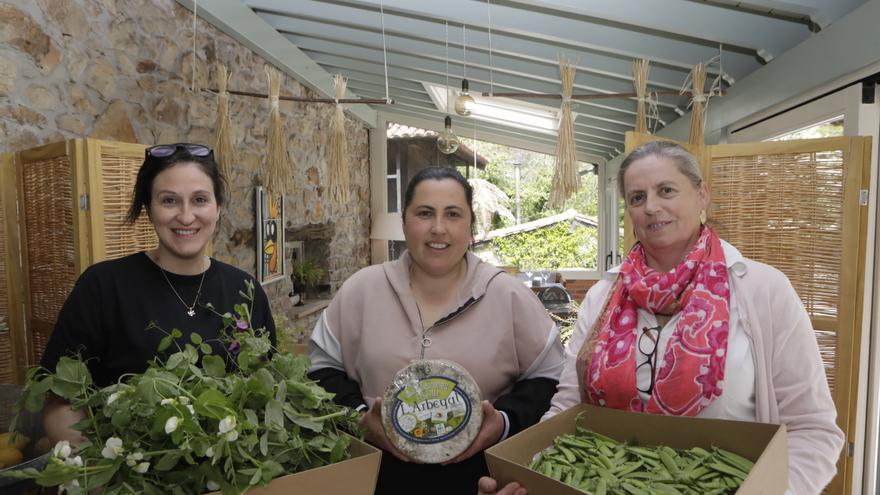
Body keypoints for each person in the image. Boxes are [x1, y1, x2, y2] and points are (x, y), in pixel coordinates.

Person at [479, 141, 843, 495]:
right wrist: (530, 471)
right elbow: (567, 410)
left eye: (666, 190)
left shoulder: (764, 290)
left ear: (702, 196)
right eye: (637, 198)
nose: (652, 207)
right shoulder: (603, 296)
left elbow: (812, 430)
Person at [308, 166, 565, 495]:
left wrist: (503, 421)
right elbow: (322, 369)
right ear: (404, 222)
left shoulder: (509, 296)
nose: (438, 229)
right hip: (376, 480)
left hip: (482, 482)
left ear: (470, 225)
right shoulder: (362, 289)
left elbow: (551, 380)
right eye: (425, 213)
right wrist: (360, 419)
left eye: (453, 214)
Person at [41, 143, 276, 444]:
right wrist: (99, 474)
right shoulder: (103, 286)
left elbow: (266, 391)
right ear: (148, 209)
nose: (186, 216)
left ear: (217, 208)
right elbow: (59, 402)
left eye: (200, 199)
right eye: (169, 201)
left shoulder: (246, 291)